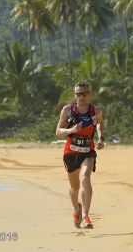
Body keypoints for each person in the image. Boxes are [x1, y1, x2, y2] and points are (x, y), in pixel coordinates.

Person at [55, 81, 104, 229]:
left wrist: (101, 138)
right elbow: (58, 132)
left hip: (88, 151)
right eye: (78, 94)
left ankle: (86, 216)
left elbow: (100, 124)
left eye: (84, 94)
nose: (81, 97)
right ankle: (77, 209)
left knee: (85, 177)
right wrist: (72, 130)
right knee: (74, 187)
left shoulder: (96, 110)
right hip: (71, 152)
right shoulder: (68, 110)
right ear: (75, 95)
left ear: (90, 94)